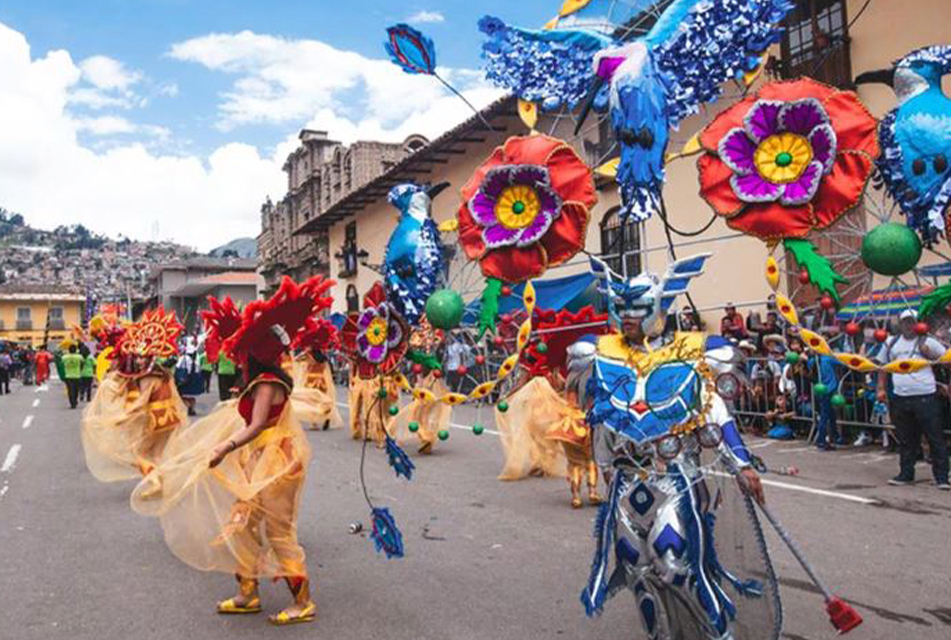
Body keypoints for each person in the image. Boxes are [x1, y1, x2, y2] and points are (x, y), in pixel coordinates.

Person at [579, 256, 775, 639]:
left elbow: (716, 410)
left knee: (674, 564)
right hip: (625, 485)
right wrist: (603, 466)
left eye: (637, 308)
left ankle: (719, 635)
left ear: (660, 308)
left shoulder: (693, 352)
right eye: (621, 308)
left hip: (673, 480)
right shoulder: (601, 352)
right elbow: (599, 420)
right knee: (637, 570)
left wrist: (742, 463)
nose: (628, 316)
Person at [132, 277, 330, 625]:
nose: (237, 358)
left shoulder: (268, 383)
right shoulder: (259, 381)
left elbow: (254, 426)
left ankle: (304, 602)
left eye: (241, 352)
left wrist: (224, 446)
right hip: (259, 460)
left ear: (255, 353)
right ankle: (247, 594)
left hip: (278, 464)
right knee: (242, 526)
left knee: (279, 532)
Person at [81, 310, 188, 482]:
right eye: (137, 357)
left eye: (142, 358)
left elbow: (141, 402)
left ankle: (156, 482)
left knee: (140, 453)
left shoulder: (150, 377)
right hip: (166, 420)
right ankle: (158, 480)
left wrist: (122, 417)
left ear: (151, 358)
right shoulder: (159, 374)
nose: (138, 361)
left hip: (158, 422)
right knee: (153, 454)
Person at [876, 310, 950, 490]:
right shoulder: (890, 342)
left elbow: (947, 362)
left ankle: (941, 477)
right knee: (906, 439)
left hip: (926, 396)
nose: (909, 325)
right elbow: (882, 366)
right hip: (901, 396)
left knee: (934, 437)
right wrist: (880, 388)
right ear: (900, 324)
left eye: (912, 322)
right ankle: (906, 474)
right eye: (905, 322)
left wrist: (931, 356)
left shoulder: (928, 341)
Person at [62, 345, 84, 409]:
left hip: (68, 376)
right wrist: (80, 369)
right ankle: (75, 400)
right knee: (76, 390)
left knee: (70, 390)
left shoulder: (64, 357)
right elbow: (83, 362)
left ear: (69, 350)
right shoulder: (79, 357)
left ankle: (72, 403)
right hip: (77, 375)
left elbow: (62, 363)